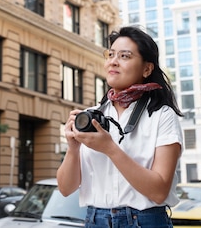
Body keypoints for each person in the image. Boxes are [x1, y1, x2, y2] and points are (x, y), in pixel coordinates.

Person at [57, 26, 183, 228]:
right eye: (111, 54)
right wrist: (73, 148)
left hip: (144, 222)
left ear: (147, 69)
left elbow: (159, 192)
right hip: (95, 220)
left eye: (125, 56)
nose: (113, 61)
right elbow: (65, 188)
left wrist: (110, 148)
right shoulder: (92, 116)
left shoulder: (162, 115)